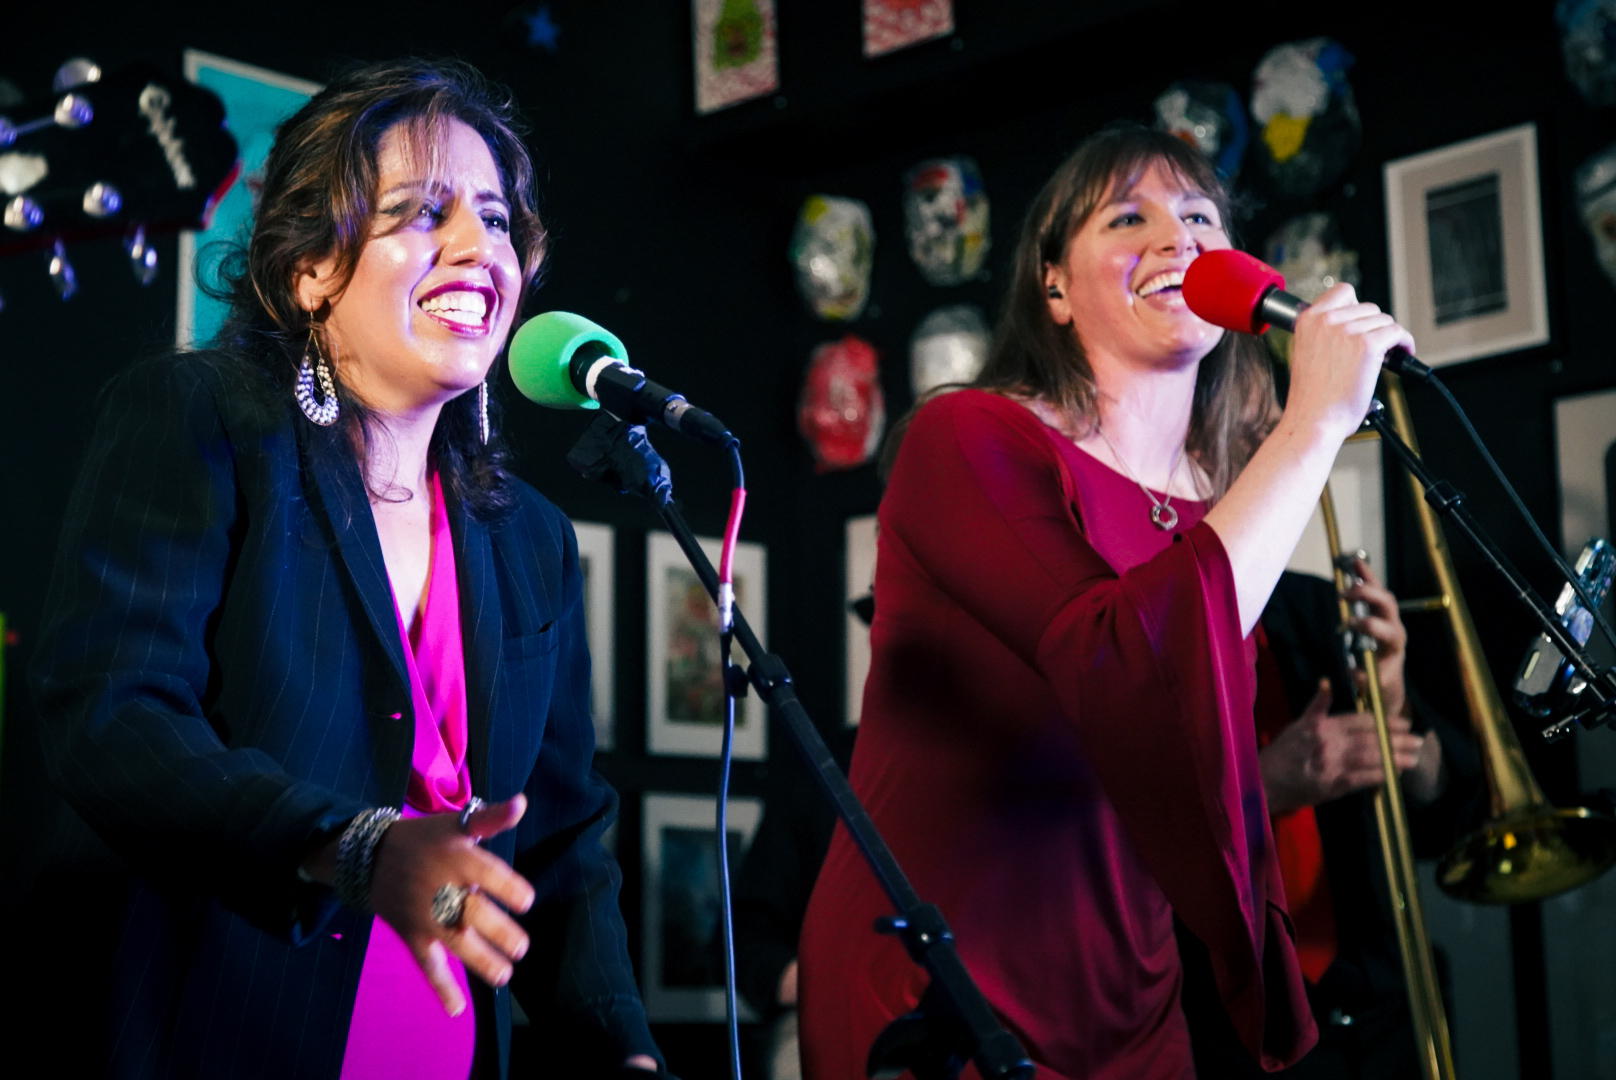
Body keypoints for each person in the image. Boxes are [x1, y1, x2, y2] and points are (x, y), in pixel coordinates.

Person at [32, 59, 662, 1080]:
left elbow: (558, 838)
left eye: (497, 221)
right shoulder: (200, 420)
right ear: (311, 268)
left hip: (439, 1040)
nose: (476, 247)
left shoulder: (529, 537)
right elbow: (113, 720)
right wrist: (353, 845)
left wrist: (618, 1049)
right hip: (216, 1022)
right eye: (423, 213)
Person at [798, 123, 1415, 1080]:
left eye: (1201, 216)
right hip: (945, 988)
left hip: (1132, 993)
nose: (1179, 239)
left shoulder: (1213, 510)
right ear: (1053, 284)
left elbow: (1178, 751)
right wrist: (1315, 422)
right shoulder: (966, 436)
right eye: (1130, 217)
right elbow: (1121, 657)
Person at [1182, 559, 1483, 1080]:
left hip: (1388, 1009)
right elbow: (1109, 850)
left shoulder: (1321, 606)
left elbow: (1451, 818)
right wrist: (1261, 788)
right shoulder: (1139, 627)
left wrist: (1395, 707)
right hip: (1233, 1034)